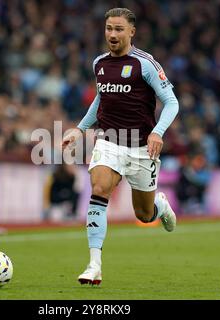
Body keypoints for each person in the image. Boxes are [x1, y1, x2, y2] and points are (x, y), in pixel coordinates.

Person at [61, 8, 179, 285]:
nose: (112, 34)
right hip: (109, 141)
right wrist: (80, 129)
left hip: (141, 148)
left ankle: (159, 207)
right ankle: (94, 265)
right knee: (99, 188)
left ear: (131, 32)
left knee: (143, 213)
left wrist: (158, 133)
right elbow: (101, 100)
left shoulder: (145, 63)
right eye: (109, 29)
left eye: (118, 29)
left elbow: (172, 102)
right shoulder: (99, 64)